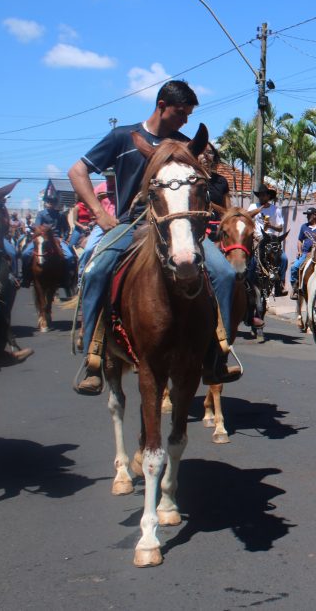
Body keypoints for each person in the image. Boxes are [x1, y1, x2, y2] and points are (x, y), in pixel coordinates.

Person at [68, 80, 239, 395]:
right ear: (161, 105)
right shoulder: (123, 137)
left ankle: (217, 354)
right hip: (131, 224)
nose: (184, 121)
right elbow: (77, 172)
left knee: (225, 274)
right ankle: (93, 356)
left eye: (188, 116)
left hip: (176, 227)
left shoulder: (183, 145)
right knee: (95, 271)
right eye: (180, 113)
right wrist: (100, 213)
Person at [20, 194, 78, 292]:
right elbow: (37, 227)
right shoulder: (41, 214)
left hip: (57, 238)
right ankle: (26, 277)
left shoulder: (60, 215)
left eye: (52, 202)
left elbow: (66, 229)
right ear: (46, 203)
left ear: (55, 203)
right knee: (25, 254)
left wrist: (63, 238)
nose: (50, 204)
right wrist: (41, 235)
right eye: (48, 202)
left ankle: (66, 279)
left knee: (69, 256)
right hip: (42, 238)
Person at [246, 185, 288, 297]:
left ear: (268, 196)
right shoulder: (253, 206)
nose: (261, 197)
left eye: (263, 195)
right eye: (260, 195)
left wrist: (271, 226)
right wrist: (258, 210)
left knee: (284, 258)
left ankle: (280, 285)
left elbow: (280, 228)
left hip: (271, 239)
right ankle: (247, 283)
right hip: (257, 237)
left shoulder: (275, 209)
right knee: (251, 260)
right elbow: (246, 217)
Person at [289, 206, 316, 298]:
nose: (307, 217)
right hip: (306, 253)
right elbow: (300, 240)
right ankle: (295, 288)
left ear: (315, 215)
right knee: (294, 268)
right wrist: (299, 251)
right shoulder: (304, 227)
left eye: (309, 215)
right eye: (307, 215)